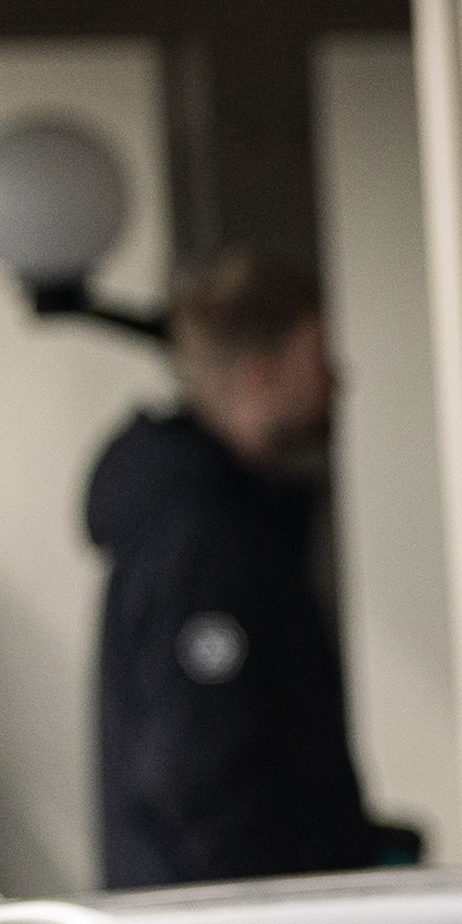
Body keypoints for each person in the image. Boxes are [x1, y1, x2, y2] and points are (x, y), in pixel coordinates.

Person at [89, 246, 378, 887]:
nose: (337, 382)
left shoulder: (230, 518)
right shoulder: (201, 537)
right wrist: (281, 910)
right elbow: (201, 766)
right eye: (317, 361)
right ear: (258, 377)